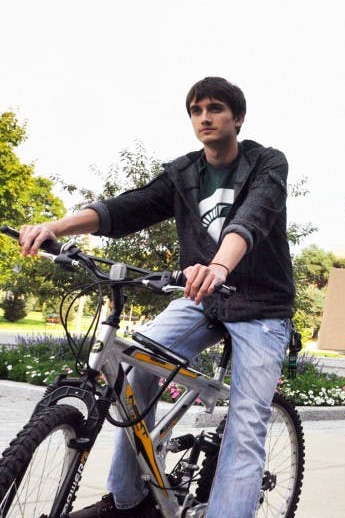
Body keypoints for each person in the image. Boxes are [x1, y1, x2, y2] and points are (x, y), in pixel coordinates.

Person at [18, 77, 295, 518]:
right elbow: (129, 206)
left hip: (260, 306)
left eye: (216, 108)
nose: (204, 117)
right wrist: (57, 226)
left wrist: (220, 266)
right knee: (132, 363)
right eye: (196, 110)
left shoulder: (267, 163)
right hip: (201, 298)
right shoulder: (184, 173)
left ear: (237, 118)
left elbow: (252, 216)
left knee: (245, 425)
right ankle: (129, 500)